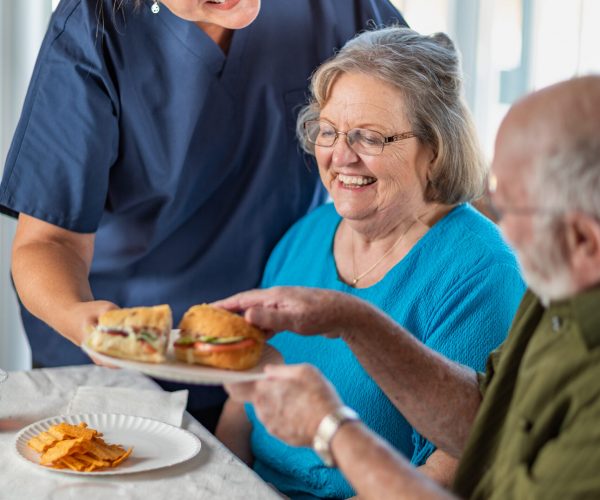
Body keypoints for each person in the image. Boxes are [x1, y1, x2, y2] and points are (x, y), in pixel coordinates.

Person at [0, 0, 403, 431]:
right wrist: (76, 317)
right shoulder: (96, 26)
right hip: (109, 369)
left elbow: (429, 135)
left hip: (267, 359)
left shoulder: (342, 9)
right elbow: (47, 242)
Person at [219, 74, 600, 499]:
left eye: (508, 208)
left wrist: (331, 428)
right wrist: (352, 319)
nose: (498, 226)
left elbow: (454, 478)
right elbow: (485, 419)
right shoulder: (556, 296)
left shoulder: (496, 270)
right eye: (328, 131)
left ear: (583, 240)